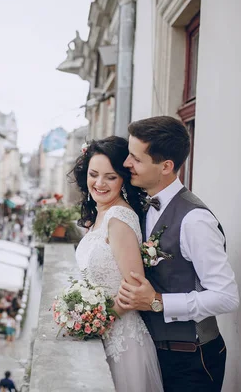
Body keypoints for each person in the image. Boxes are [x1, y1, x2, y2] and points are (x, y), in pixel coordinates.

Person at [117, 116, 240, 392]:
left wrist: (159, 301)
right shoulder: (144, 205)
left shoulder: (195, 220)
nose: (127, 164)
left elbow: (227, 297)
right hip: (153, 353)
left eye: (136, 159)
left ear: (166, 166)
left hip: (191, 360)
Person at [71, 136, 163, 391]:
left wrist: (95, 319)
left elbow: (134, 288)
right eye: (94, 174)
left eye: (110, 177)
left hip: (121, 339)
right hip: (104, 331)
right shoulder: (100, 215)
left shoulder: (119, 219)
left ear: (123, 179)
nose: (99, 183)